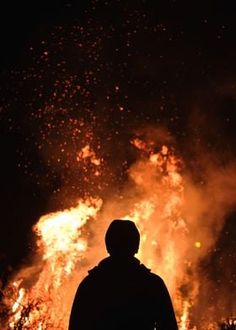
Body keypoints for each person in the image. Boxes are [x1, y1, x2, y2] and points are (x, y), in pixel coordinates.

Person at [69, 219, 178, 330]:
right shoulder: (152, 284)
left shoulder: (91, 284)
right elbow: (168, 326)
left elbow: (76, 326)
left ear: (108, 246)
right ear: (136, 247)